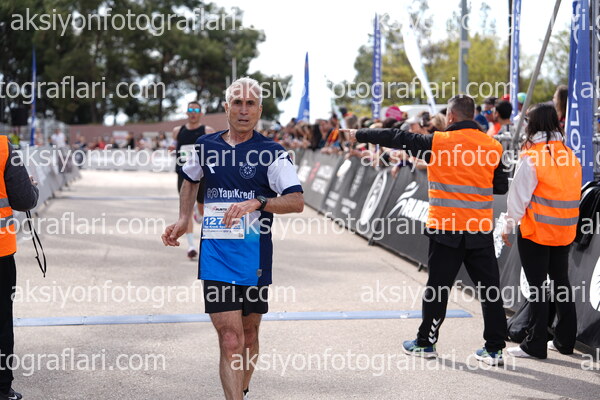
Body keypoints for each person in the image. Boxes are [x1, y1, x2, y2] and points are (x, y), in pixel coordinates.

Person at [162, 77, 304, 400]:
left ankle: (242, 389)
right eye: (237, 103)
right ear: (226, 107)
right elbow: (190, 179)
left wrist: (259, 202)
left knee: (249, 335)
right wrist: (184, 218)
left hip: (255, 257)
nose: (243, 110)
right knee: (230, 339)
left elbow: (296, 201)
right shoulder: (205, 146)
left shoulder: (272, 153)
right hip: (216, 256)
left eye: (250, 104)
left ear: (259, 110)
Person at [342, 95, 509, 365]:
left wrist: (359, 134)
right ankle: (494, 349)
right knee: (490, 290)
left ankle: (426, 343)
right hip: (479, 229)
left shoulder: (438, 142)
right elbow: (501, 186)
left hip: (446, 228)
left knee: (438, 289)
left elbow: (396, 137)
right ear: (472, 114)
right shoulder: (493, 145)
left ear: (451, 116)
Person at [501, 103, 581, 359]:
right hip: (564, 230)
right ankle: (565, 341)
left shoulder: (532, 157)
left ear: (533, 124)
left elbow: (518, 199)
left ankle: (535, 344)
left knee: (537, 287)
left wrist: (507, 225)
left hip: (536, 231)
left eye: (527, 120)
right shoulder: (570, 154)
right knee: (561, 283)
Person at [0, 135, 40, 400]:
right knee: (2, 320)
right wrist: (32, 188)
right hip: (0, 252)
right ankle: (2, 389)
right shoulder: (3, 147)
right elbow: (23, 200)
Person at [172, 101, 214, 259]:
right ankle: (191, 246)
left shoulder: (207, 130)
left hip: (202, 175)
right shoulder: (178, 131)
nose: (193, 112)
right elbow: (174, 146)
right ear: (186, 112)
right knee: (186, 211)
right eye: (190, 109)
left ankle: (199, 209)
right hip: (183, 174)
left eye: (196, 110)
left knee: (202, 208)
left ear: (201, 113)